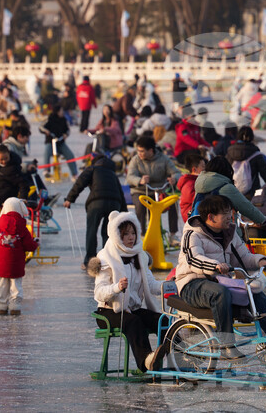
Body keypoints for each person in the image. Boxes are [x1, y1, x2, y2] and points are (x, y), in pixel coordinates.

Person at [175, 195, 266, 358]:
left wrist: (260, 260)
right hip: (192, 283)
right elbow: (194, 259)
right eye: (225, 213)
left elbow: (243, 256)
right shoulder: (192, 235)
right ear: (211, 217)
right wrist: (215, 265)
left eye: (230, 212)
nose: (230, 217)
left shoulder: (229, 233)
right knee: (219, 293)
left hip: (221, 281)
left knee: (253, 292)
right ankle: (226, 346)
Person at [88, 211, 168, 372]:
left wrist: (169, 286)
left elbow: (151, 284)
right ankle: (147, 360)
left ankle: (183, 356)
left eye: (133, 233)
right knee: (133, 322)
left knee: (162, 320)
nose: (131, 237)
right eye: (125, 234)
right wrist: (116, 287)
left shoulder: (140, 256)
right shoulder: (106, 257)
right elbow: (98, 293)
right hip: (109, 311)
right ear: (117, 235)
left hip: (133, 309)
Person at [64, 153, 128, 267]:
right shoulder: (113, 175)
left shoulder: (93, 169)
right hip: (115, 204)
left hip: (96, 203)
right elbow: (121, 195)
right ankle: (108, 260)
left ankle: (90, 261)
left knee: (92, 231)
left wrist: (70, 198)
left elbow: (80, 182)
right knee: (108, 233)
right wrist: (125, 214)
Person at [0, 197, 39, 315]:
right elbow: (29, 246)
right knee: (16, 285)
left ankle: (2, 306)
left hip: (0, 263)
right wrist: (36, 243)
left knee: (1, 284)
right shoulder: (22, 228)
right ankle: (15, 306)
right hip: (16, 263)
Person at [126, 136, 181, 236]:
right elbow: (129, 177)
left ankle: (173, 234)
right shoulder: (136, 160)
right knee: (140, 206)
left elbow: (176, 172)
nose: (139, 153)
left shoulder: (163, 159)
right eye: (138, 150)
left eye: (142, 151)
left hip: (159, 192)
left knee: (173, 203)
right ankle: (141, 234)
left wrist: (174, 178)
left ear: (151, 150)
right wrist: (140, 180)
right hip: (141, 191)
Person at [191, 157, 266, 226]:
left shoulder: (199, 183)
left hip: (199, 226)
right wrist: (263, 220)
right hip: (222, 230)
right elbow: (246, 207)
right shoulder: (225, 187)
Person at [226, 126, 266, 199]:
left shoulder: (230, 152)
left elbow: (224, 171)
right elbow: (265, 175)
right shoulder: (256, 153)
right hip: (252, 194)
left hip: (233, 192)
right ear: (252, 137)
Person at [40, 103, 78, 180]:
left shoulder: (64, 120)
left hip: (60, 142)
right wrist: (46, 131)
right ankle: (46, 171)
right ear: (57, 111)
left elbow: (67, 130)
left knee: (70, 155)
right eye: (61, 111)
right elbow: (41, 127)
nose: (62, 112)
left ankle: (74, 174)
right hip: (50, 141)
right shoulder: (49, 119)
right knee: (47, 153)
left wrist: (65, 135)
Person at [177, 152, 205, 223]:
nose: (205, 169)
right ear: (194, 169)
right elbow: (195, 200)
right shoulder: (189, 184)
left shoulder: (194, 181)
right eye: (203, 167)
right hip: (191, 215)